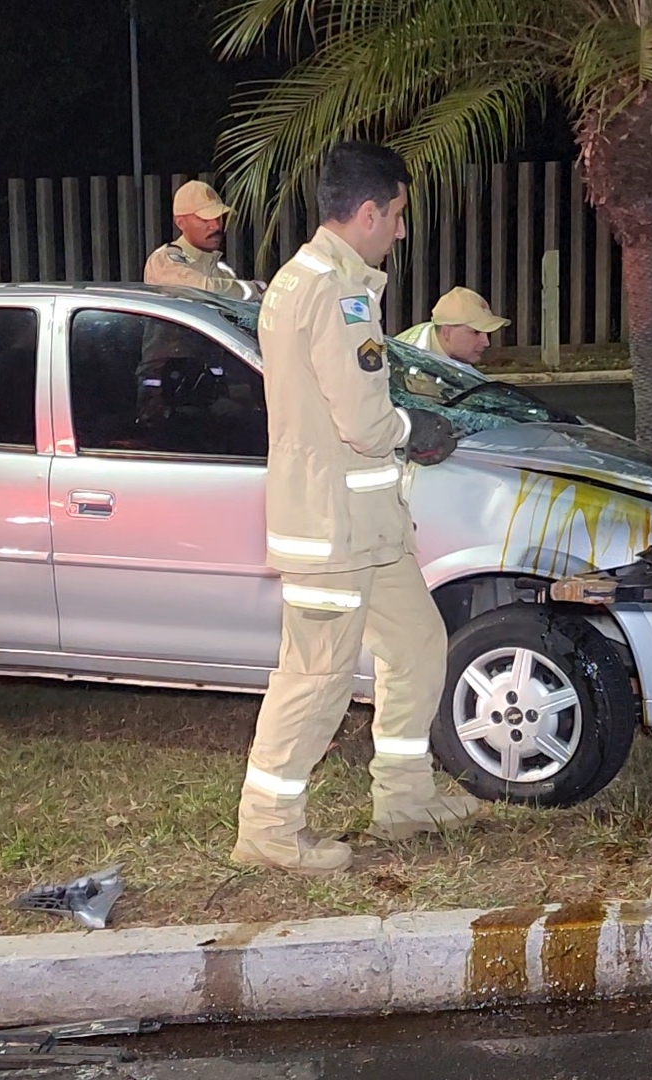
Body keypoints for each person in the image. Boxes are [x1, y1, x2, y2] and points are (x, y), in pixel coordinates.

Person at [233, 141, 479, 875]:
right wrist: (417, 429)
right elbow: (365, 421)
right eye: (398, 215)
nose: (401, 231)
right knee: (315, 675)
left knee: (417, 644)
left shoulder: (314, 279)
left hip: (365, 522)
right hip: (331, 523)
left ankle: (404, 796)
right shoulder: (335, 291)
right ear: (368, 211)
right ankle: (269, 827)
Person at [143, 180, 262, 300]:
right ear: (180, 222)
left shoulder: (222, 270)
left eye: (218, 218)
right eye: (205, 219)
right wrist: (254, 290)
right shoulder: (163, 260)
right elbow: (204, 290)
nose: (216, 226)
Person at [396, 287, 509, 375]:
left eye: (486, 333)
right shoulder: (410, 361)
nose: (486, 342)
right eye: (476, 332)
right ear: (447, 333)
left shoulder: (435, 339)